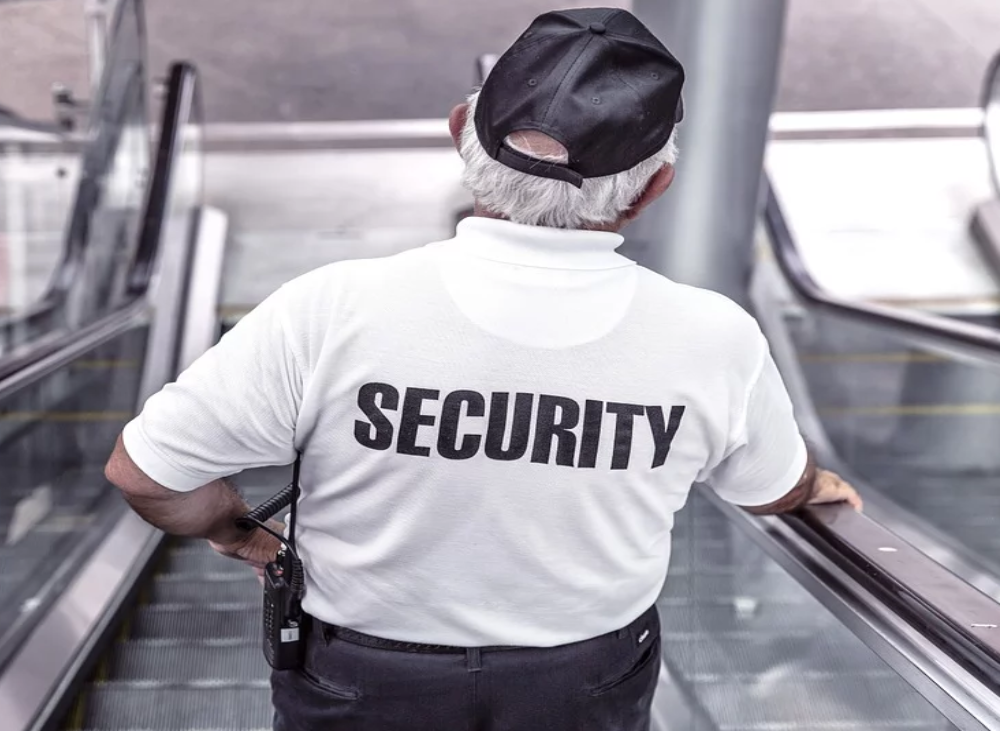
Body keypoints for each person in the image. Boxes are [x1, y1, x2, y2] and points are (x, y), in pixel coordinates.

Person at [104, 7, 862, 731]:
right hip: (582, 678)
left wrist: (239, 531)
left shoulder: (331, 308)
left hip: (362, 674)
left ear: (461, 130)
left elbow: (146, 474)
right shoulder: (713, 338)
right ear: (651, 189)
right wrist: (815, 486)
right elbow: (773, 487)